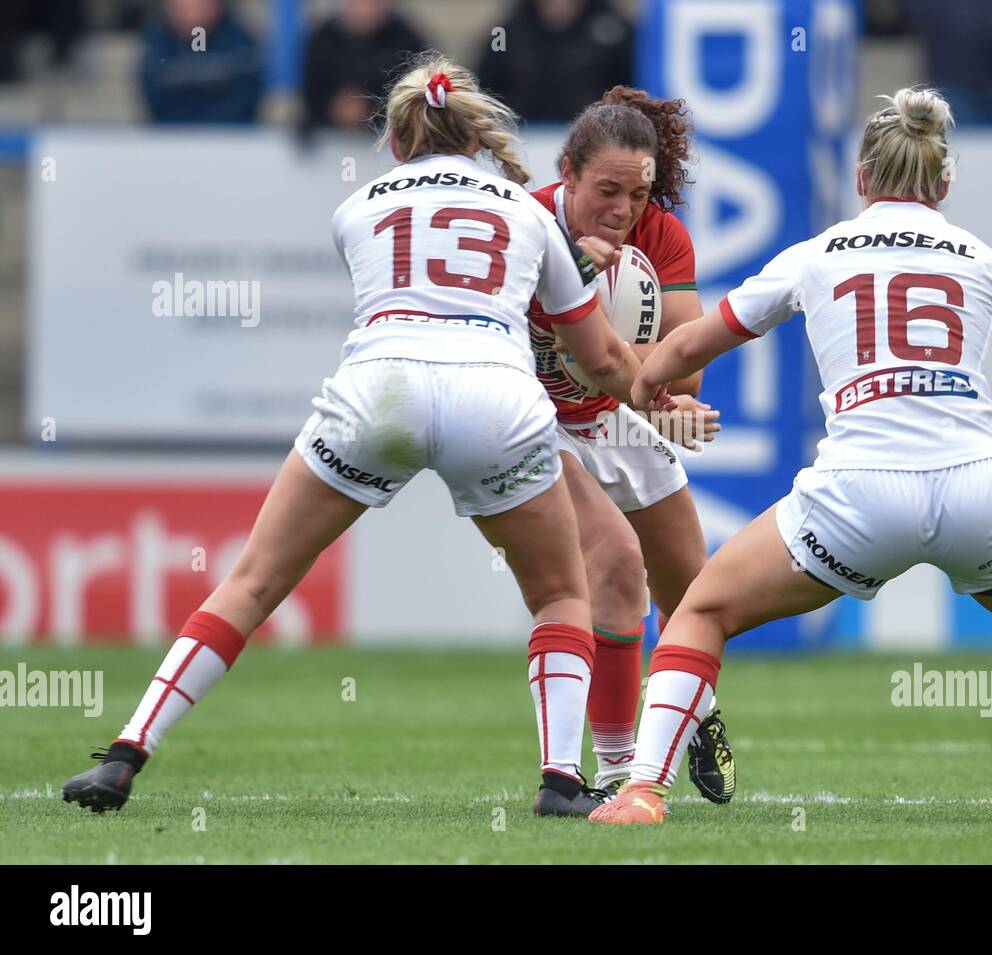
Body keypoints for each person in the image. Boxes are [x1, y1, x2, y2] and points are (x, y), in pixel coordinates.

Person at [591, 87, 992, 826]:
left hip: (858, 496)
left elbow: (687, 347)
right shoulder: (981, 259)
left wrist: (646, 388)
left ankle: (643, 790)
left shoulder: (818, 254)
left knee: (702, 610)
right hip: (978, 491)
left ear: (861, 179)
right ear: (943, 184)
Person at [63, 54, 640, 818]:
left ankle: (126, 753)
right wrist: (655, 385)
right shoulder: (528, 212)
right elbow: (599, 360)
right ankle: (562, 782)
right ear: (475, 137)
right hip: (495, 396)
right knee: (563, 592)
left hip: (381, 387)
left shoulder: (357, 206)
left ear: (397, 141)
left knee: (252, 581)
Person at [524, 87, 735, 806]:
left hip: (621, 410)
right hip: (537, 420)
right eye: (606, 190)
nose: (622, 209)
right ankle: (619, 772)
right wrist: (576, 288)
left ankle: (695, 711)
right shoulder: (527, 224)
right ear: (568, 174)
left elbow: (688, 365)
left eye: (638, 193)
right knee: (615, 564)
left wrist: (615, 363)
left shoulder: (664, 235)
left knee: (698, 597)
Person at [476, 0, 633, 123]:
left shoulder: (616, 31)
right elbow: (485, 90)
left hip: (594, 141)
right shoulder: (505, 32)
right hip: (521, 139)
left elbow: (629, 90)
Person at [302, 0, 427, 130]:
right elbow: (311, 91)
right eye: (355, 3)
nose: (363, 10)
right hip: (325, 136)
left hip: (389, 136)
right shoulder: (322, 39)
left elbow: (417, 97)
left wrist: (371, 109)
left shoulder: (407, 41)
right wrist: (332, 108)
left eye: (370, 3)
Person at [139, 0, 262, 124]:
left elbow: (245, 96)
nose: (192, 14)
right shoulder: (156, 43)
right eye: (184, 8)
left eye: (200, 6)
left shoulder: (240, 42)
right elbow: (153, 97)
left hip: (231, 135)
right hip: (173, 135)